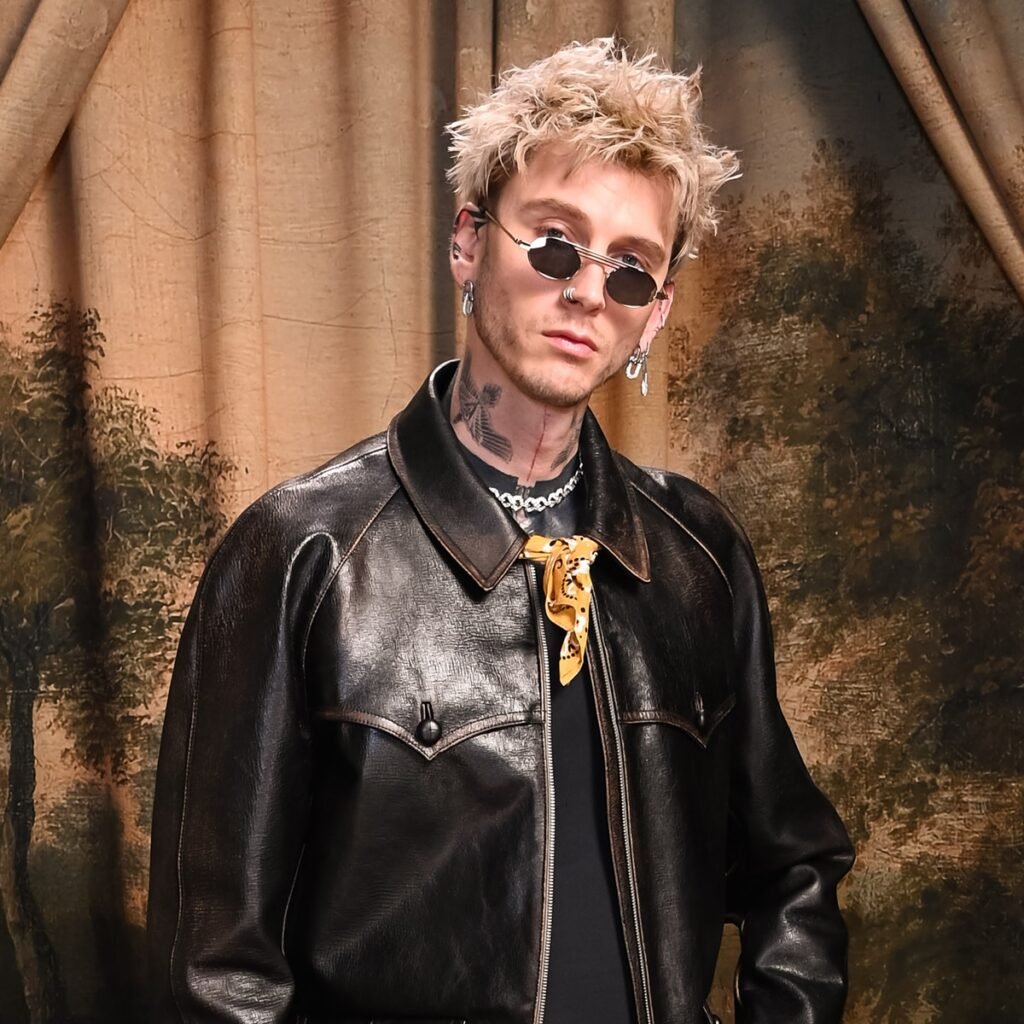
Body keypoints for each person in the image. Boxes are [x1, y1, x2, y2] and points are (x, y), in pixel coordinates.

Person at [148, 37, 853, 1024]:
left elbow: (794, 866)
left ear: (655, 315)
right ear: (469, 242)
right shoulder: (301, 552)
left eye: (631, 270)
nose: (587, 292)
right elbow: (216, 974)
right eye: (556, 244)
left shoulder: (699, 555)